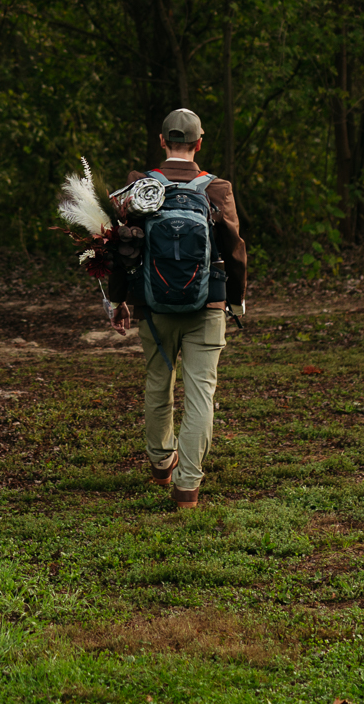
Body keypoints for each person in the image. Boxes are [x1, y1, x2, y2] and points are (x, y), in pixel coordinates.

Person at [106, 108, 248, 511]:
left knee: (158, 382)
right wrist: (235, 300)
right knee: (201, 392)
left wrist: (119, 300)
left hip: (154, 306)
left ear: (162, 140)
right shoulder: (216, 188)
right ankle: (187, 486)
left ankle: (159, 461)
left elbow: (120, 247)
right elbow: (234, 249)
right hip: (207, 305)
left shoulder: (140, 186)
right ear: (199, 143)